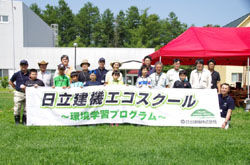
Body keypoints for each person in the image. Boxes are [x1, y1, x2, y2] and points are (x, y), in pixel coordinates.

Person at [9, 60, 30, 125]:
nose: (23, 66)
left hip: (28, 93)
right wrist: (15, 87)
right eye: (22, 65)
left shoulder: (30, 74)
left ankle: (24, 121)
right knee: (17, 107)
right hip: (18, 93)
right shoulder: (16, 74)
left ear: (27, 66)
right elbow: (10, 81)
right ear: (20, 66)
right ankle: (17, 122)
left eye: (25, 65)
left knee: (26, 108)